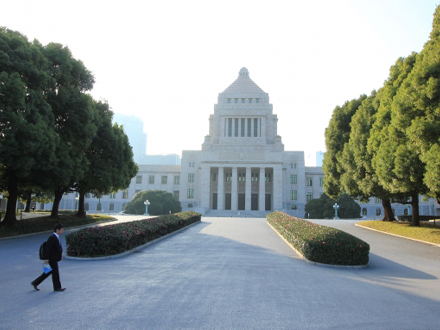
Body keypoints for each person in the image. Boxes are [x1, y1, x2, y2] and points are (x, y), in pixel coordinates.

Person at [31, 223, 66, 292]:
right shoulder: (52, 238)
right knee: (55, 272)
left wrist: (60, 256)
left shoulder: (56, 237)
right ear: (57, 230)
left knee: (48, 272)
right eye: (61, 230)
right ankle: (57, 287)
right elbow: (48, 249)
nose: (62, 231)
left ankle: (35, 282)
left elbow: (57, 248)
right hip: (51, 258)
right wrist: (46, 258)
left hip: (54, 258)